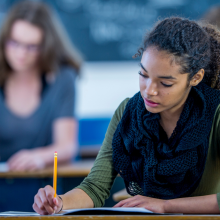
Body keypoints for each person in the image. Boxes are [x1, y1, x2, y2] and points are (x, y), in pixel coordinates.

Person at [33, 17, 220, 214]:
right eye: (144, 75)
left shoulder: (215, 113)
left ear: (196, 77)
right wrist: (58, 202)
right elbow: (94, 187)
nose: (149, 91)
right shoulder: (127, 112)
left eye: (165, 83)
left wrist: (166, 206)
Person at [0, 0, 82, 171]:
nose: (21, 53)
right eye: (14, 43)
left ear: (46, 47)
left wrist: (39, 157)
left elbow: (67, 146)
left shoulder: (62, 78)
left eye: (32, 47)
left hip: (42, 185)